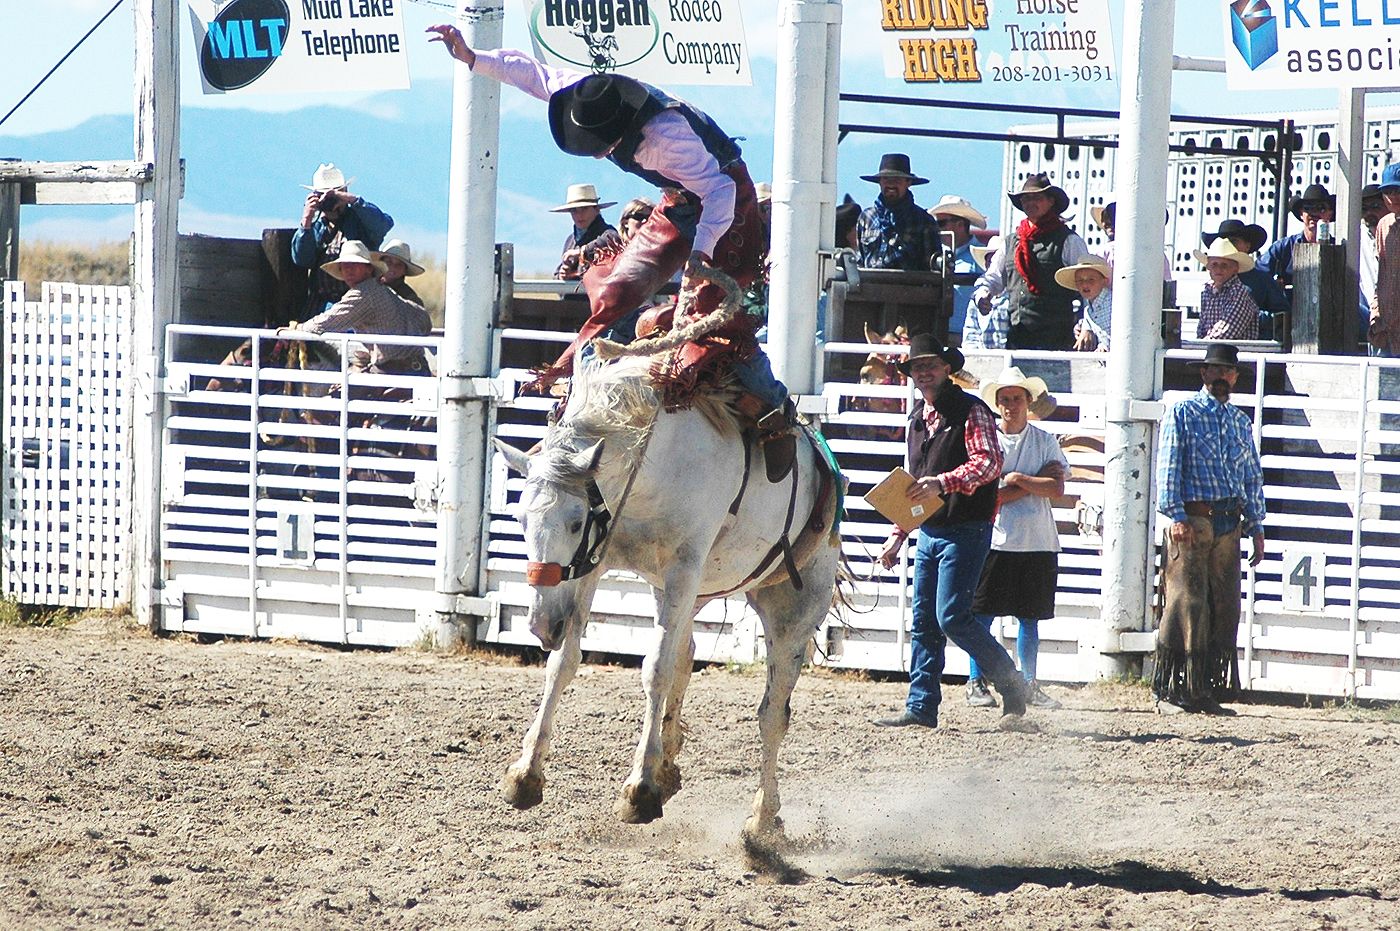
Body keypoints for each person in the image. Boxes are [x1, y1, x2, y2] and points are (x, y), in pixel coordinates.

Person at [426, 29, 783, 419]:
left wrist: (699, 252)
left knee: (713, 311)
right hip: (680, 200)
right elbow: (535, 74)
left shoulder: (666, 138)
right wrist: (473, 57)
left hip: (731, 206)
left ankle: (774, 406)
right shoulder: (588, 97)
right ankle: (582, 383)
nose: (599, 157)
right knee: (616, 291)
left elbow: (719, 192)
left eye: (603, 148)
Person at [871, 334, 1028, 728]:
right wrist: (898, 533)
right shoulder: (918, 420)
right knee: (928, 619)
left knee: (950, 617)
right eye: (917, 367)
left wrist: (942, 482)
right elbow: (915, 488)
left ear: (946, 370)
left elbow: (990, 464)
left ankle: (1010, 681)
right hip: (933, 530)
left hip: (966, 526)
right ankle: (922, 705)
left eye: (930, 365)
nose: (923, 373)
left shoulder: (970, 411)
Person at [1154, 342, 1265, 715]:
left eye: (1227, 371)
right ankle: (1176, 688)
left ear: (1234, 376)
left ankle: (1203, 688)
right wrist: (1176, 514)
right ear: (1204, 374)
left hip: (1227, 521)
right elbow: (1169, 463)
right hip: (1194, 518)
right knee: (1187, 602)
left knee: (1223, 605)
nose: (1221, 376)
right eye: (1215, 370)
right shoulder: (1183, 412)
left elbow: (1250, 476)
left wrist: (1255, 524)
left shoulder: (1239, 422)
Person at [965, 367, 1069, 710]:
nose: (1011, 405)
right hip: (996, 538)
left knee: (1030, 617)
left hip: (1037, 540)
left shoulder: (1044, 439)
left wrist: (1018, 479)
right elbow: (987, 496)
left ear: (1028, 402)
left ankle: (1027, 682)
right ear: (997, 404)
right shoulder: (987, 440)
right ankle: (976, 681)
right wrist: (1032, 483)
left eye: (1017, 399)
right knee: (982, 615)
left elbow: (1056, 488)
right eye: (1005, 399)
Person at [972, 173, 1089, 350]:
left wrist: (1087, 326)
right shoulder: (1011, 242)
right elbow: (993, 278)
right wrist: (984, 294)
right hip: (1017, 338)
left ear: (1051, 201)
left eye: (1037, 197)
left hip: (1057, 340)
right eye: (1026, 198)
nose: (1030, 202)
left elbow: (1088, 287)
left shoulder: (1069, 241)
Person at [290, 240, 432, 375]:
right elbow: (425, 322)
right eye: (345, 266)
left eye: (355, 264)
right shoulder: (384, 291)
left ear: (368, 268)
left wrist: (297, 329)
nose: (349, 270)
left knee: (340, 395)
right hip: (406, 365)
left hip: (395, 369)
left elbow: (327, 321)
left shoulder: (364, 293)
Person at [291, 163, 394, 317]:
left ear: (344, 192)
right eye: (321, 195)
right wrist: (306, 221)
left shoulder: (362, 221)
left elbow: (384, 225)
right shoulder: (316, 227)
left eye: (332, 194)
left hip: (358, 302)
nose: (327, 199)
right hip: (320, 305)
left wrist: (354, 201)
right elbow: (302, 259)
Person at [856, 154, 942, 272]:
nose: (891, 184)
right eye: (886, 179)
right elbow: (860, 261)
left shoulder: (924, 220)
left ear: (908, 182)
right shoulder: (866, 217)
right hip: (869, 287)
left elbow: (933, 268)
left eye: (897, 179)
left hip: (909, 288)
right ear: (879, 182)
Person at [1201, 219, 1289, 326]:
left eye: (1233, 241)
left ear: (1247, 246)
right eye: (1224, 241)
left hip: (1253, 341)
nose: (1228, 245)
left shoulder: (1262, 280)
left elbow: (1283, 316)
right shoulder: (1211, 285)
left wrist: (1251, 316)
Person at [929, 195, 989, 348]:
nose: (937, 228)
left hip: (966, 337)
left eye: (941, 223)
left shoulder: (981, 256)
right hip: (935, 331)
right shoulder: (934, 255)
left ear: (960, 224)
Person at [1258, 182, 1336, 287]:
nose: (1313, 213)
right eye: (1308, 208)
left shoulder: (1338, 249)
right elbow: (1258, 274)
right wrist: (1273, 288)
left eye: (1320, 208)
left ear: (1330, 213)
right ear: (1301, 214)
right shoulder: (1282, 248)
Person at [1193, 239, 1261, 340]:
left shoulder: (1239, 292)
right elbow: (1201, 329)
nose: (1218, 269)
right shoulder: (1207, 291)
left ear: (1235, 269)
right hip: (1211, 350)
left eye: (1224, 265)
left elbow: (1226, 333)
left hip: (1236, 353)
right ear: (1208, 267)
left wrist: (1200, 345)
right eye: (1214, 264)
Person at [1090, 198, 1171, 279]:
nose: (1105, 224)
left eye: (1110, 220)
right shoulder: (1157, 253)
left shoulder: (1105, 251)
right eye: (1104, 219)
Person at [552, 183, 617, 280]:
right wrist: (562, 276)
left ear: (596, 210)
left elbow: (612, 239)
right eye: (574, 210)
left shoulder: (607, 233)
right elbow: (557, 276)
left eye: (584, 209)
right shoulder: (570, 240)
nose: (579, 215)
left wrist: (581, 252)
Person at [1369, 163, 1400, 356]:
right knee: (1378, 385)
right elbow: (1381, 273)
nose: (1393, 196)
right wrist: (1375, 313)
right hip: (1385, 330)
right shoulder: (1384, 225)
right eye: (1388, 190)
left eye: (1398, 190)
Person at [1055, 255, 1113, 351]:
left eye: (1091, 280)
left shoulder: (1113, 304)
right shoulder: (1089, 311)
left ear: (1105, 281)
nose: (1085, 284)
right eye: (1080, 280)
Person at [963, 235, 1010, 349]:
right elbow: (970, 335)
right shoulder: (977, 297)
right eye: (990, 260)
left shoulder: (1016, 294)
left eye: (998, 260)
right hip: (985, 359)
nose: (994, 264)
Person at [1359, 183, 1384, 346]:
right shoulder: (1354, 236)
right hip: (1367, 313)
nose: (1369, 213)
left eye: (1375, 206)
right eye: (1364, 208)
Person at [373, 239, 426, 306]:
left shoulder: (410, 298)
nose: (392, 267)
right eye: (388, 262)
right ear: (381, 263)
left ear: (404, 270)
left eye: (399, 265)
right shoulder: (367, 284)